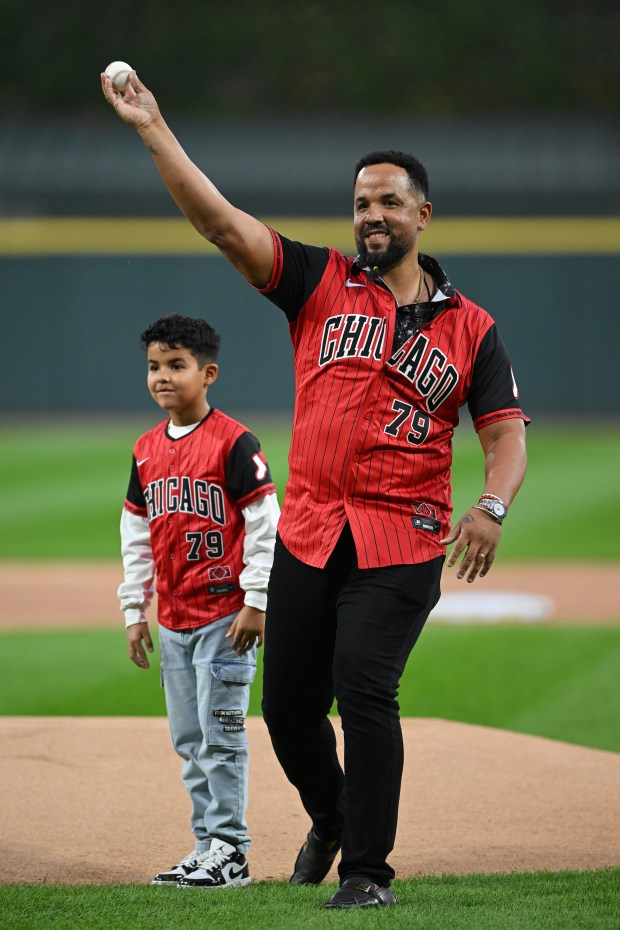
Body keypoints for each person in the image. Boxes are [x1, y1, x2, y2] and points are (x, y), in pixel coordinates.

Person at [103, 72, 529, 909]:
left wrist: (491, 505)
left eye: (389, 202)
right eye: (362, 202)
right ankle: (330, 816)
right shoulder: (318, 281)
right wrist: (153, 125)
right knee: (288, 711)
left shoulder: (472, 328)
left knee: (366, 684)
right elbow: (220, 224)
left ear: (422, 216)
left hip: (402, 538)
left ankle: (367, 873)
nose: (372, 215)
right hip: (310, 531)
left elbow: (506, 433)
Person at [117, 313, 280, 889]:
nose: (163, 377)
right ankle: (206, 843)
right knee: (190, 740)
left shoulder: (236, 443)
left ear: (207, 373)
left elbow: (265, 524)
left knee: (222, 735)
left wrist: (256, 599)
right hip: (175, 619)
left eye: (176, 365)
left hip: (225, 619)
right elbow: (135, 535)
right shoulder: (144, 450)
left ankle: (231, 849)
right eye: (154, 367)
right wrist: (135, 611)